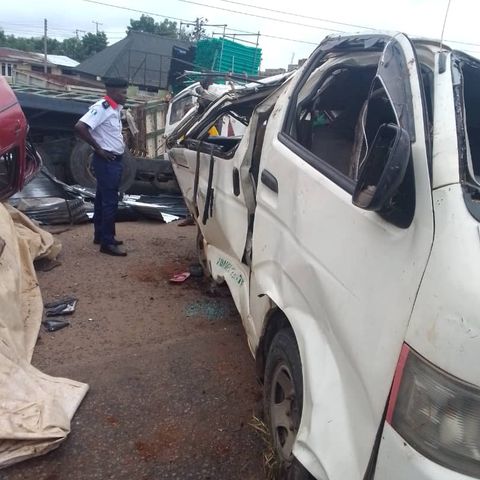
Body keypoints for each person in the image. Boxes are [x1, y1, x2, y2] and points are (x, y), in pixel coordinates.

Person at [74, 78, 128, 257]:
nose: (126, 96)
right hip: (107, 161)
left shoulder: (114, 109)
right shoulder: (102, 108)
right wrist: (98, 148)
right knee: (110, 201)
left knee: (101, 198)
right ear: (113, 92)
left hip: (112, 160)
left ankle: (100, 235)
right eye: (123, 92)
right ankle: (108, 242)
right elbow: (80, 127)